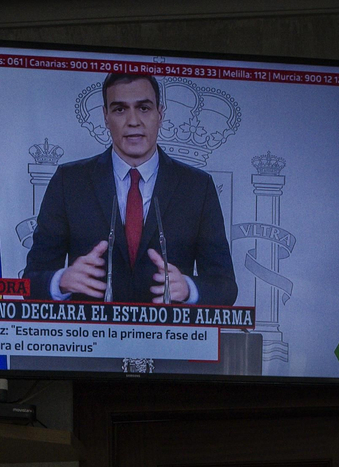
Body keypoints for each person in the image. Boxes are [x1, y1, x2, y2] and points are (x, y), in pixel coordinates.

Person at [24, 71, 237, 307]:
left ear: (160, 114)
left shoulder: (197, 187)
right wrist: (61, 281)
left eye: (144, 108)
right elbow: (30, 281)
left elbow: (225, 287)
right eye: (119, 109)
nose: (133, 121)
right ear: (105, 116)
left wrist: (188, 289)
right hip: (90, 339)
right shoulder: (69, 182)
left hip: (170, 339)